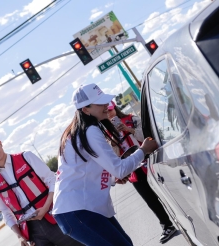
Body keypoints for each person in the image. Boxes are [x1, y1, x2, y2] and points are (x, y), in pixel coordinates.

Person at [52, 83, 158, 246]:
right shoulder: (89, 131)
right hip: (77, 210)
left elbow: (85, 171)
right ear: (85, 109)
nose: (105, 106)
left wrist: (111, 178)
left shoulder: (78, 132)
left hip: (79, 209)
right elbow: (120, 169)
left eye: (104, 101)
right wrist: (143, 150)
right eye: (99, 103)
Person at [0, 132, 83, 246]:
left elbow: (53, 180)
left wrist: (45, 208)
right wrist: (19, 236)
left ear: (0, 144)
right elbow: (6, 212)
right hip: (33, 232)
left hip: (55, 216)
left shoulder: (26, 157)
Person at [107, 101, 177, 244]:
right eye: (106, 112)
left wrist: (128, 129)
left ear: (115, 108)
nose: (109, 114)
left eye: (110, 110)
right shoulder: (107, 134)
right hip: (133, 169)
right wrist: (113, 143)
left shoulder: (132, 119)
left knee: (165, 191)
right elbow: (112, 158)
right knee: (149, 199)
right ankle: (167, 225)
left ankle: (183, 214)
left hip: (149, 161)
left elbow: (146, 135)